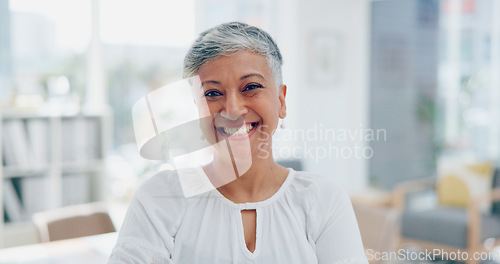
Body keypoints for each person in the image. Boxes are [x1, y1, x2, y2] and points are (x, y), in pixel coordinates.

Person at [109, 21, 368, 264]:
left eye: (251, 87)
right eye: (212, 93)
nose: (232, 109)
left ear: (281, 101)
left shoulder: (323, 200)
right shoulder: (160, 198)